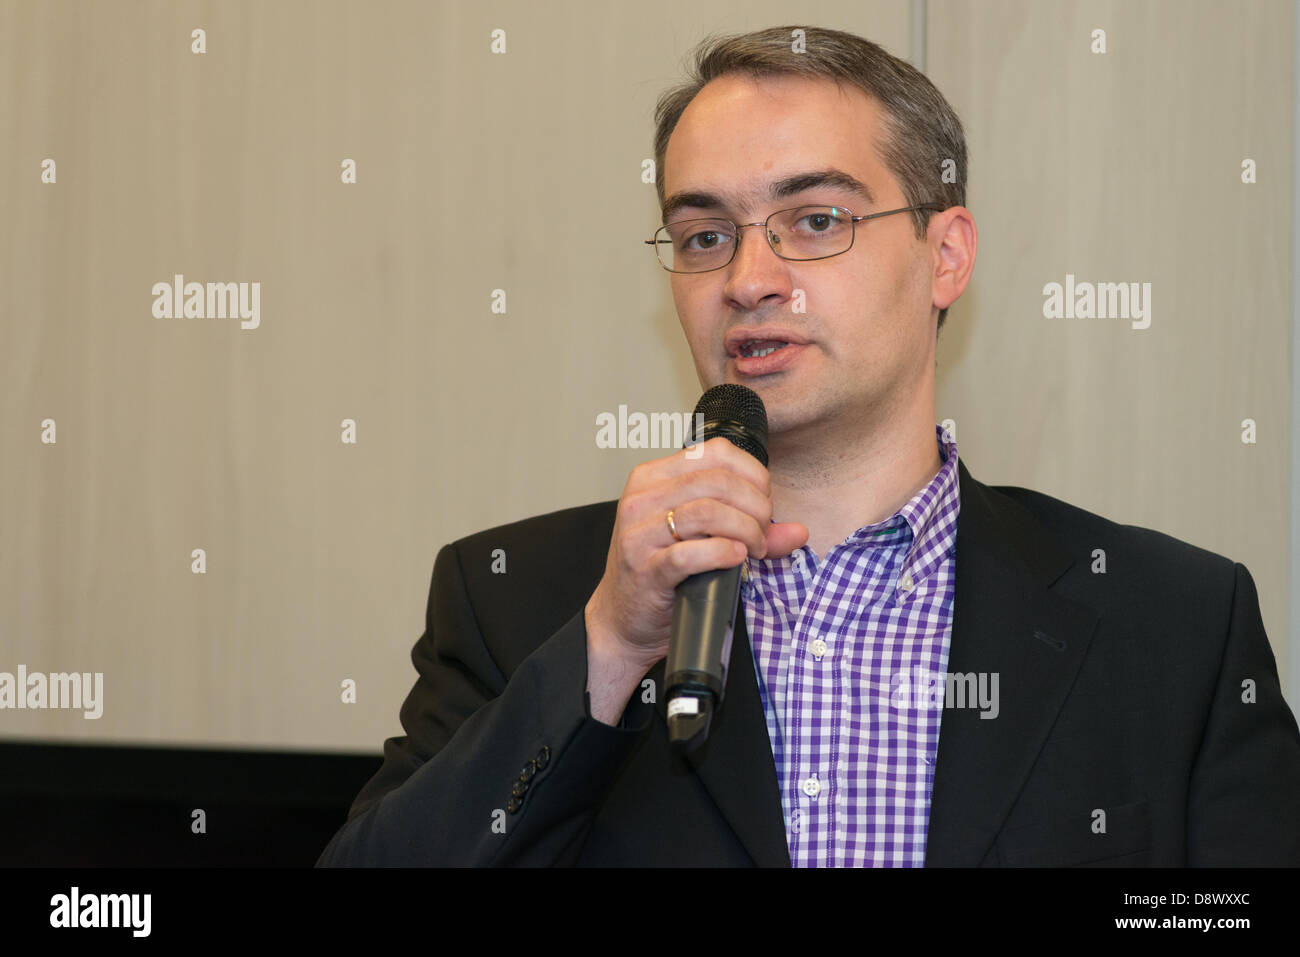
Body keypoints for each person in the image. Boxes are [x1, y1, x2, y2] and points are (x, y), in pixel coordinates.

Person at [317, 25, 1300, 866]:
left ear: (943, 254)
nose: (748, 277)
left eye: (814, 220)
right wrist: (611, 648)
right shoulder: (518, 600)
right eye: (703, 236)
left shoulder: (1170, 624)